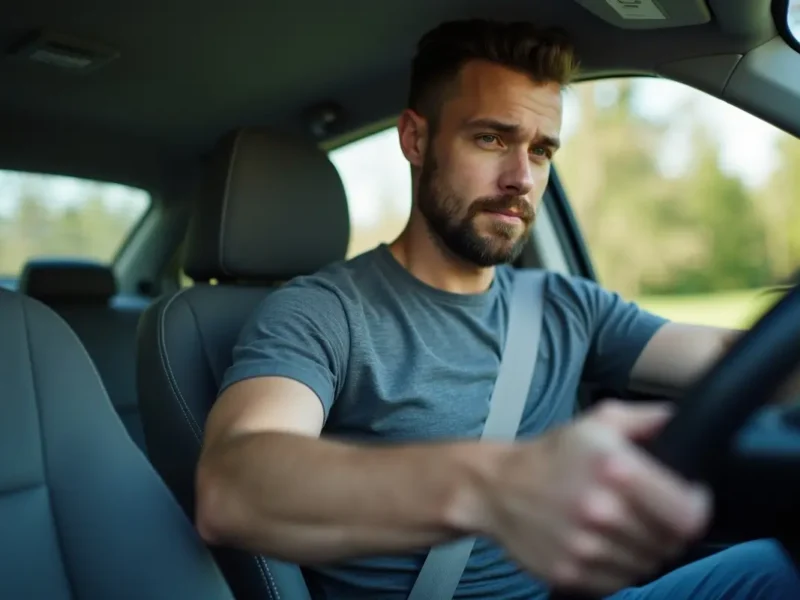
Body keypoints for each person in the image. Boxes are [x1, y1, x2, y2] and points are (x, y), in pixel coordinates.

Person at [194, 19, 800, 600]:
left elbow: (738, 362)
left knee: (781, 565)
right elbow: (232, 485)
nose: (521, 178)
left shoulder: (566, 306)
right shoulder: (322, 312)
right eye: (491, 138)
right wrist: (497, 484)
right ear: (415, 139)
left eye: (541, 151)